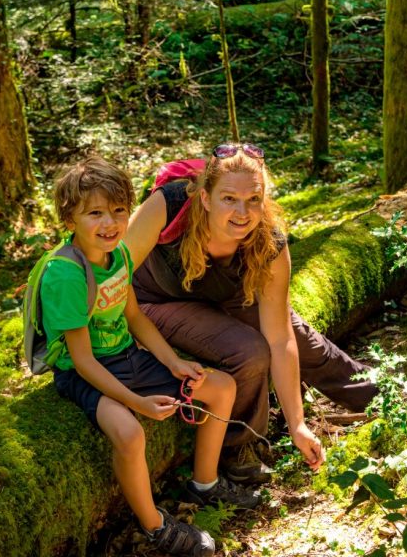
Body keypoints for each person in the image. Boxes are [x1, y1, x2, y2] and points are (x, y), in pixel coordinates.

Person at [43, 156, 261, 557]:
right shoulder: (65, 274)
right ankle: (154, 526)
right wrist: (135, 401)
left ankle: (205, 483)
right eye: (94, 213)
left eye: (119, 211)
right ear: (69, 217)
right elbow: (83, 360)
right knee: (129, 433)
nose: (109, 224)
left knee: (221, 386)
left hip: (126, 356)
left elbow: (135, 316)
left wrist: (173, 362)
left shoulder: (121, 257)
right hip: (83, 372)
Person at [125, 143, 379, 483]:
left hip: (218, 296)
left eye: (253, 199)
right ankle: (240, 445)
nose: (242, 212)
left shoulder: (269, 241)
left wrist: (298, 425)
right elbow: (113, 273)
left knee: (300, 337)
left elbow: (280, 336)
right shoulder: (170, 205)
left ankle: (378, 396)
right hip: (153, 300)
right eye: (229, 199)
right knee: (249, 351)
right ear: (205, 197)